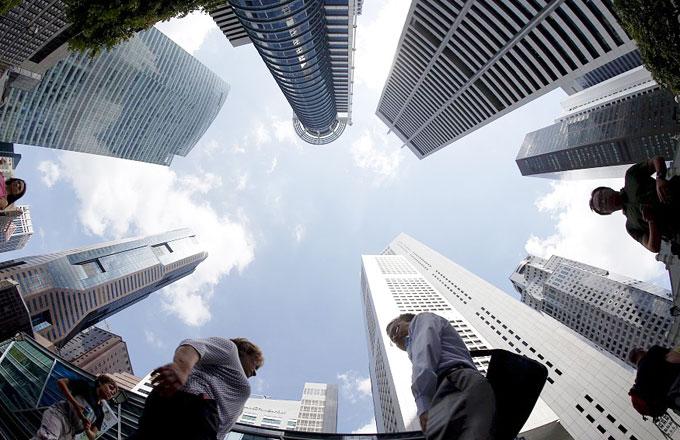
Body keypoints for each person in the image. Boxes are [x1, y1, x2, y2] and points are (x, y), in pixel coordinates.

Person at [386, 312, 495, 440]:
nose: (394, 337)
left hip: (456, 383)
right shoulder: (414, 346)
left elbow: (425, 355)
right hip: (456, 386)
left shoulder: (421, 320)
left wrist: (423, 402)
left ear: (408, 321)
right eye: (392, 339)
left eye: (395, 329)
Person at [129, 337, 263, 440]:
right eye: (255, 364)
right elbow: (194, 347)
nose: (255, 372)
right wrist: (182, 367)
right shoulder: (230, 350)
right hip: (194, 405)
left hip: (208, 425)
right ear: (245, 351)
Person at [589, 156, 680, 253]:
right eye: (602, 206)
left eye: (601, 196)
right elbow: (653, 247)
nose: (604, 201)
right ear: (608, 212)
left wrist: (660, 178)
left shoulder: (630, 176)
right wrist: (651, 221)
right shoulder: (631, 227)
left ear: (607, 189)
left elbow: (657, 160)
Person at [31, 374, 118, 440]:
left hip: (70, 433)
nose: (111, 393)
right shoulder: (85, 386)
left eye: (113, 394)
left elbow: (93, 436)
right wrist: (75, 404)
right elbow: (61, 382)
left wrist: (87, 430)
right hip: (60, 415)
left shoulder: (100, 414)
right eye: (110, 388)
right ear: (100, 383)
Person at [628, 346, 680, 416]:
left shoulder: (639, 382)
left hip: (675, 402)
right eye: (641, 348)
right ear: (639, 351)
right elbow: (675, 356)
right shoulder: (652, 352)